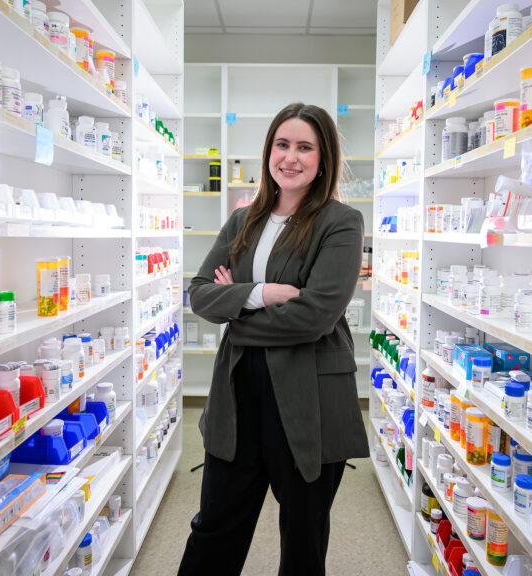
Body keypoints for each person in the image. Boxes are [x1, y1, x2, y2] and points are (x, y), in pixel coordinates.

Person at [177, 102, 368, 576]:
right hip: (238, 395)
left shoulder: (340, 222)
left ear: (323, 159)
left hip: (310, 400)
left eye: (305, 147)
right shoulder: (242, 221)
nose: (291, 157)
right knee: (215, 529)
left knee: (303, 540)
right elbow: (199, 295)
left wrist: (235, 307)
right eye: (282, 144)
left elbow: (315, 316)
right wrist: (262, 293)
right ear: (268, 152)